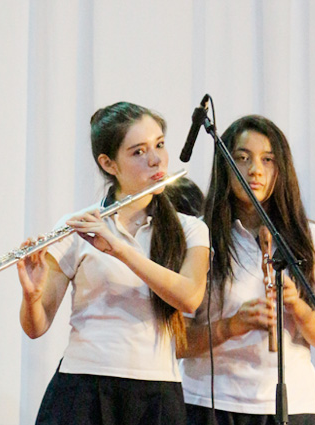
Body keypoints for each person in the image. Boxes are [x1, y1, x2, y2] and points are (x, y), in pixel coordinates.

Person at [17, 102, 210, 425]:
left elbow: (190, 296)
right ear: (108, 163)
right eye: (138, 152)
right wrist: (32, 297)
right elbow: (35, 327)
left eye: (159, 145)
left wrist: (120, 249)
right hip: (82, 387)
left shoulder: (191, 228)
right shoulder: (77, 226)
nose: (155, 160)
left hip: (156, 393)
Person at [178, 115, 315, 425]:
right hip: (210, 403)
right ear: (225, 166)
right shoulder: (199, 237)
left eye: (268, 160)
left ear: (282, 169)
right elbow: (178, 342)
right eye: (242, 158)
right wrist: (230, 326)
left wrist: (298, 307)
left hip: (293, 404)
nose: (255, 170)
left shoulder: (312, 240)